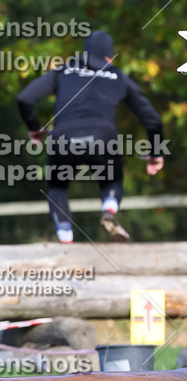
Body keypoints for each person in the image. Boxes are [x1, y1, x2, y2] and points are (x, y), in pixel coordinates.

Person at [17, 30, 164, 243]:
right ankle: (109, 210)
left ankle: (65, 235)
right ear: (109, 57)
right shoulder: (117, 75)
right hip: (103, 136)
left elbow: (24, 99)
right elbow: (153, 120)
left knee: (58, 186)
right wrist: (156, 152)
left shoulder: (64, 70)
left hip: (63, 137)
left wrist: (35, 127)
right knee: (112, 179)